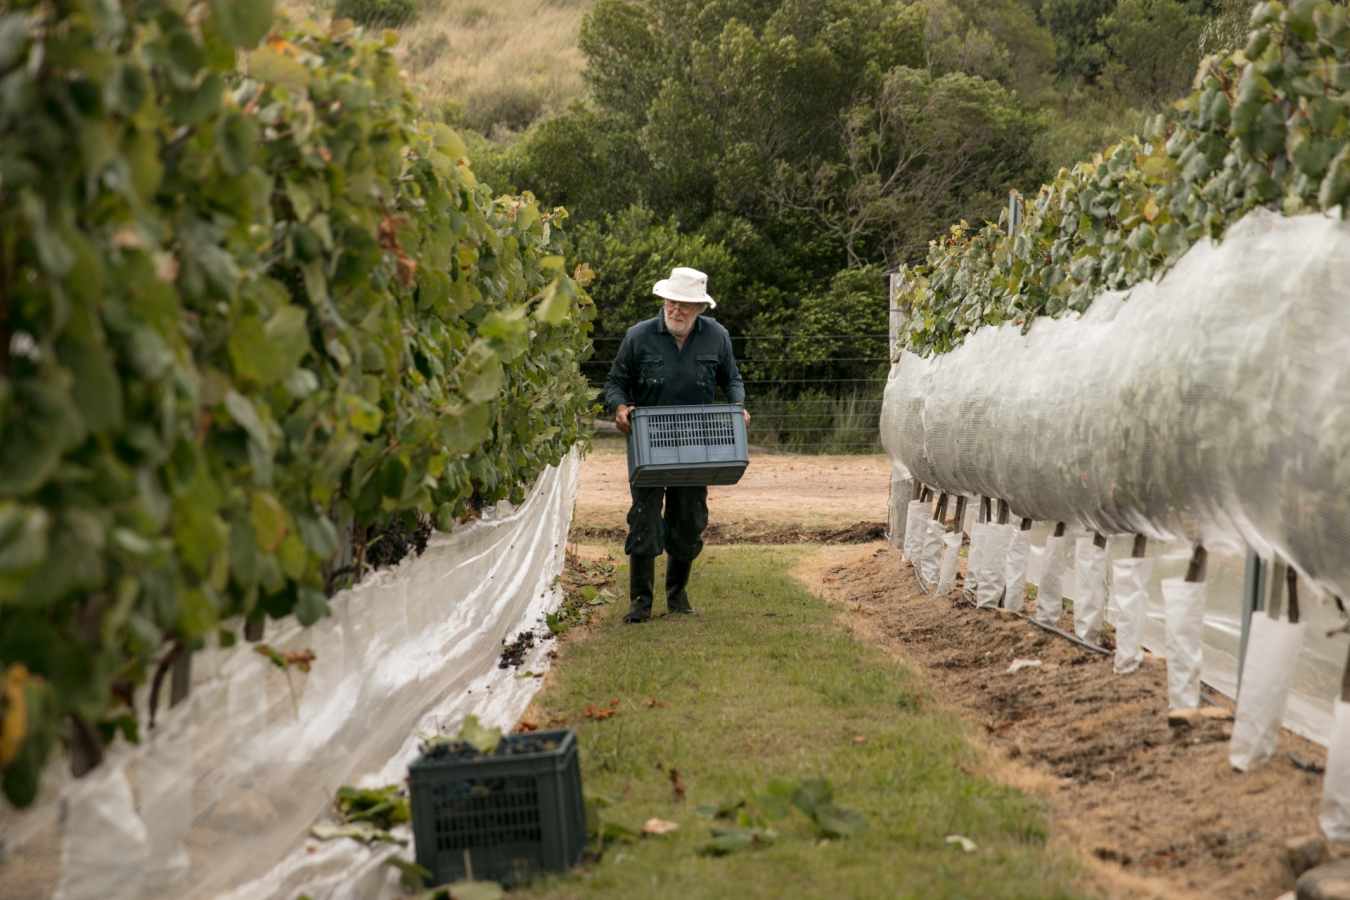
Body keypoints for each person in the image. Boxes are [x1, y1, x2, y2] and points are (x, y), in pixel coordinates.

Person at [603, 266, 749, 623]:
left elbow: (732, 379)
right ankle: (640, 602)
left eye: (684, 304)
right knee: (645, 519)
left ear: (699, 308)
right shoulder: (638, 336)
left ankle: (677, 595)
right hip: (647, 444)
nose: (676, 309)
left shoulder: (717, 337)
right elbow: (614, 383)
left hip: (697, 444)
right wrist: (620, 408)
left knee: (688, 519)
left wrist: (738, 408)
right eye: (672, 301)